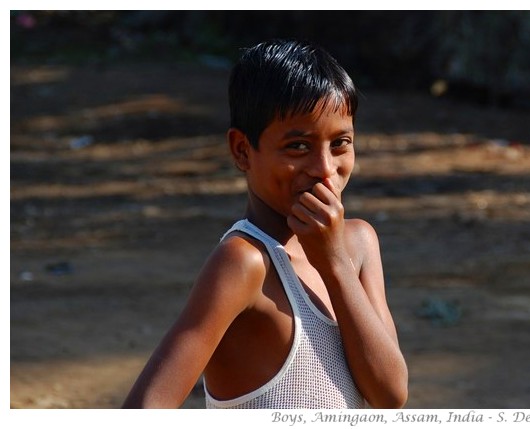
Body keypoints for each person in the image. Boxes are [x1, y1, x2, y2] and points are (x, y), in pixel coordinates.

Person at [122, 39, 408, 409]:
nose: (324, 169)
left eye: (340, 143)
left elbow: (390, 395)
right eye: (298, 147)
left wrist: (334, 263)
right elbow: (145, 407)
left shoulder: (358, 244)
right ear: (242, 150)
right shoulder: (243, 264)